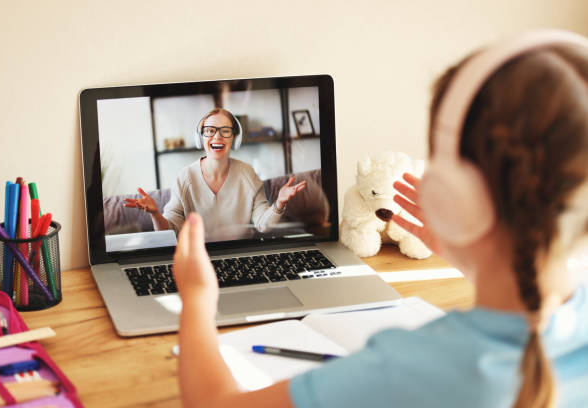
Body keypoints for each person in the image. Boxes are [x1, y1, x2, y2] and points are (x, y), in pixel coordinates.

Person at [171, 32, 588, 408]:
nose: (216, 137)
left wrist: (197, 300)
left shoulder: (411, 370)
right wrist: (467, 255)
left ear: (449, 192)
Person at [124, 108, 307, 241]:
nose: (217, 137)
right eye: (210, 131)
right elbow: (170, 233)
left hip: (241, 255)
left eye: (225, 131)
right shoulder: (185, 177)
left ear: (234, 139)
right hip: (198, 260)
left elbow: (263, 225)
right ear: (200, 138)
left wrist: (279, 203)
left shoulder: (247, 174)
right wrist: (155, 213)